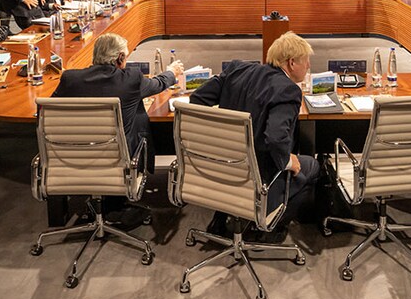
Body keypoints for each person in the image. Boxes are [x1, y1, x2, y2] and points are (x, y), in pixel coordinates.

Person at [190, 31, 320, 241]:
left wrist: (216, 139)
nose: (309, 67)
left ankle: (222, 216)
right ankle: (267, 228)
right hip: (257, 175)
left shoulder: (236, 69)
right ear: (291, 63)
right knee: (312, 167)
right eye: (306, 61)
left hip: (222, 165)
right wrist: (288, 162)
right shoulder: (288, 90)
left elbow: (197, 99)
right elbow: (276, 139)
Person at [52, 33, 183, 169]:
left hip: (73, 158)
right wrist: (171, 72)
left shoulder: (71, 79)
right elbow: (158, 84)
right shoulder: (131, 79)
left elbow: (47, 111)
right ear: (120, 57)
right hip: (120, 161)